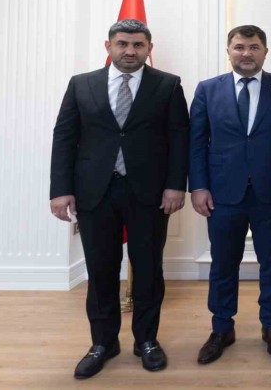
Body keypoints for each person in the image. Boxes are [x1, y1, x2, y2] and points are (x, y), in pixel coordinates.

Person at [50, 19, 189, 378]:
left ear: (148, 49)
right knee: (100, 270)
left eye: (138, 45)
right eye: (123, 44)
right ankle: (103, 343)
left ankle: (147, 341)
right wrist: (60, 190)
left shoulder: (168, 85)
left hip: (149, 193)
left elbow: (179, 138)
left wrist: (176, 185)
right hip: (95, 192)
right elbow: (64, 137)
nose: (130, 51)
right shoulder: (81, 84)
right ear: (108, 46)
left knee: (148, 269)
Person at [189, 25, 271, 364]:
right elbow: (196, 142)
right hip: (222, 193)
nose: (246, 53)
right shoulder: (208, 89)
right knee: (223, 263)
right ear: (228, 51)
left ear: (265, 52)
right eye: (239, 47)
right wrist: (198, 186)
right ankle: (221, 328)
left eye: (254, 47)